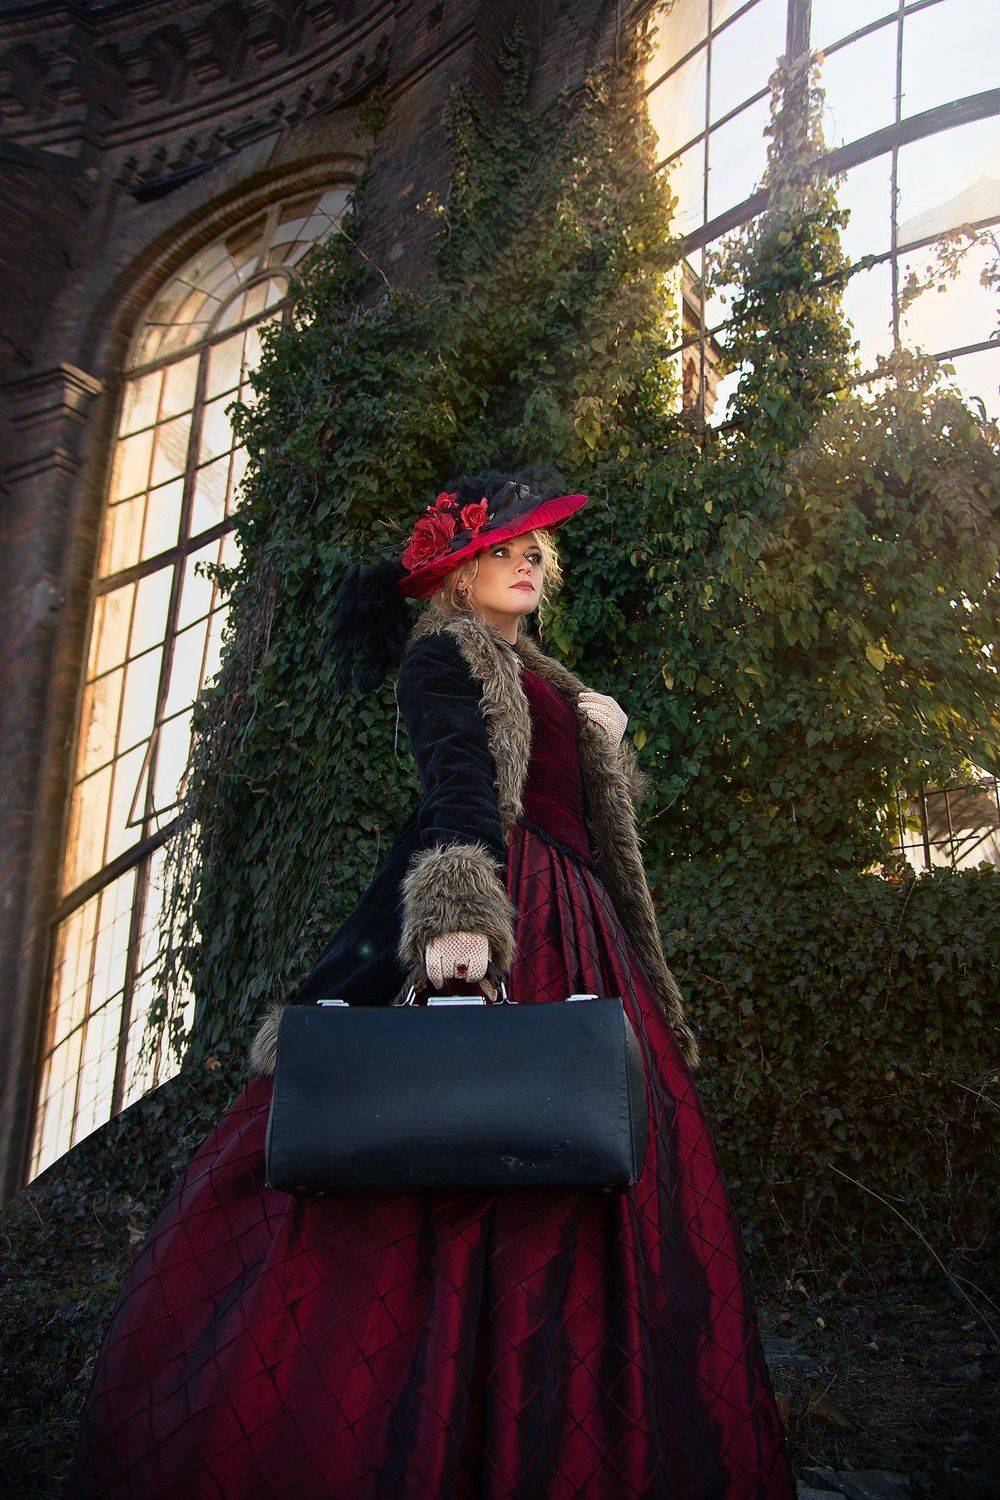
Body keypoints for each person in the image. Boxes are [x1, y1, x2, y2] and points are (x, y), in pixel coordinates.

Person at [65, 469, 797, 1498]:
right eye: (503, 549)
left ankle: (564, 1422)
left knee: (585, 1147)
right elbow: (458, 785)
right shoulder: (445, 654)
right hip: (512, 901)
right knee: (471, 1139)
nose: (527, 562)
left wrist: (602, 736)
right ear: (456, 572)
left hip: (577, 914)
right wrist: (460, 918)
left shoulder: (536, 671)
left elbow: (578, 811)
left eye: (535, 549)